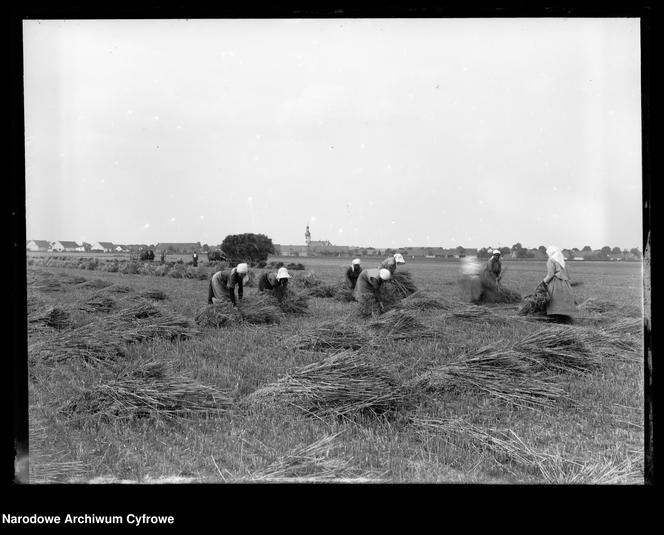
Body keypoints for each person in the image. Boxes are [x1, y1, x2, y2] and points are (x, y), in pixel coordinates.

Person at [542, 245, 576, 321]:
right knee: (561, 301)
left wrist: (543, 282)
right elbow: (567, 275)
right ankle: (562, 318)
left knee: (553, 301)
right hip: (564, 283)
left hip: (555, 283)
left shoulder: (551, 260)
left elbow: (550, 274)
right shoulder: (562, 261)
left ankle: (553, 319)